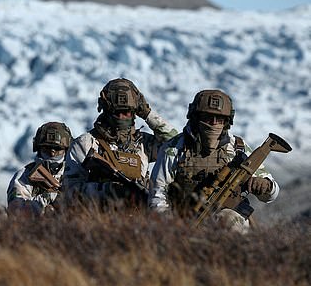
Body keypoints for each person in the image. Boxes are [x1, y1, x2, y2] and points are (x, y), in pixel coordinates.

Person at [148, 89, 279, 233]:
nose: (214, 123)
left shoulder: (237, 148)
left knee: (230, 220)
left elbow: (271, 195)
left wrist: (265, 186)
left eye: (219, 119)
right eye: (207, 118)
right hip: (185, 221)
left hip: (229, 223)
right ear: (196, 118)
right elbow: (157, 194)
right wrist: (171, 227)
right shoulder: (174, 148)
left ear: (227, 122)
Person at [63, 78, 178, 209]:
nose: (122, 117)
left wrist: (148, 114)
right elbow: (69, 192)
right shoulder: (85, 143)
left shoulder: (143, 144)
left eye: (127, 112)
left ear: (135, 112)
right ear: (106, 111)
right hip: (98, 220)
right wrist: (107, 190)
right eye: (117, 112)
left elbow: (175, 143)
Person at [7, 122, 72, 215]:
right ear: (38, 148)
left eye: (57, 149)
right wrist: (45, 199)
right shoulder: (24, 176)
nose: (52, 153)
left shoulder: (74, 172)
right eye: (47, 148)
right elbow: (16, 212)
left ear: (66, 150)